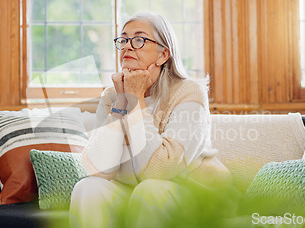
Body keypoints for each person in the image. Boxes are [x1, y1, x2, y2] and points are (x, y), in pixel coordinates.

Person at [69, 12, 231, 228]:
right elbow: (98, 169)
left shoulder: (189, 92)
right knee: (87, 187)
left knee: (151, 189)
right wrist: (122, 102)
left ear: (163, 54)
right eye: (123, 39)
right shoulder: (112, 95)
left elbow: (161, 171)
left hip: (191, 193)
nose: (127, 46)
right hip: (132, 192)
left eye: (139, 39)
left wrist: (136, 99)